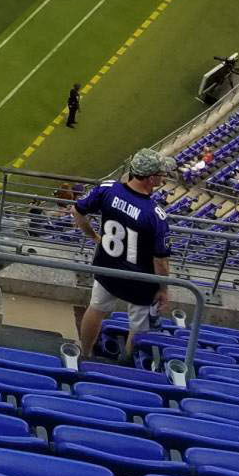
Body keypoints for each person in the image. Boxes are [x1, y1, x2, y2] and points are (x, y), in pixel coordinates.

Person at [70, 147, 173, 362]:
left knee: (96, 309)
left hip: (106, 267)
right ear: (151, 178)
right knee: (138, 327)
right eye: (161, 174)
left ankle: (85, 355)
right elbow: (160, 261)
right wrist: (163, 289)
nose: (164, 177)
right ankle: (125, 364)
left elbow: (78, 212)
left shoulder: (107, 189)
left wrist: (94, 236)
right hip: (139, 280)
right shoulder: (155, 215)